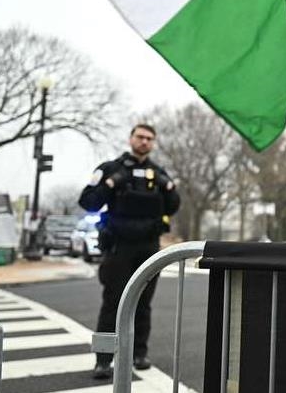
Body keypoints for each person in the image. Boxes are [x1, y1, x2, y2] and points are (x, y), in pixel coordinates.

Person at [78, 123, 180, 379]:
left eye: (149, 138)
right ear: (130, 138)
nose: (144, 142)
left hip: (148, 246)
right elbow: (88, 201)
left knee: (143, 303)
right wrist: (111, 183)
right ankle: (103, 360)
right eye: (140, 137)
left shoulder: (158, 173)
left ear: (153, 143)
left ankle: (139, 354)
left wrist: (168, 186)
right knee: (113, 302)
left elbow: (173, 206)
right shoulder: (111, 169)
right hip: (119, 246)